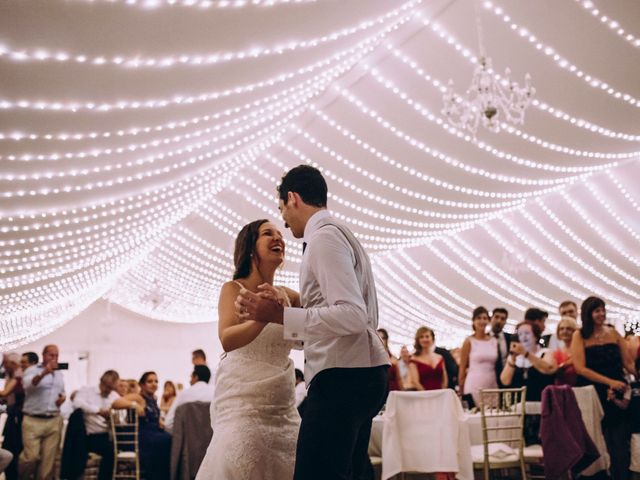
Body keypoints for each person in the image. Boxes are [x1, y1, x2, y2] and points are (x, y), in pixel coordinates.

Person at [236, 165, 389, 480]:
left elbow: (353, 315)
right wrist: (292, 308)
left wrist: (278, 316)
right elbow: (338, 316)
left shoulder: (323, 239)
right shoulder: (340, 234)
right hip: (360, 372)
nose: (283, 220)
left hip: (343, 376)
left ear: (292, 198)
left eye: (281, 209)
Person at [196, 219, 301, 480]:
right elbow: (227, 338)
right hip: (244, 401)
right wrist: (263, 316)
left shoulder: (290, 296)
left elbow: (309, 335)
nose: (278, 238)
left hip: (283, 407)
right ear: (251, 247)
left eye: (279, 234)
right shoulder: (233, 289)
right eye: (268, 234)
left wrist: (283, 313)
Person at [572, 296, 636, 480]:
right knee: (594, 439)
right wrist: (608, 382)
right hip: (592, 392)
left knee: (619, 440)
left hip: (617, 391)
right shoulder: (580, 335)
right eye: (596, 310)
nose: (601, 314)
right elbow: (580, 368)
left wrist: (636, 373)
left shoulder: (614, 334)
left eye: (602, 309)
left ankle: (620, 475)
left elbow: (628, 363)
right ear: (588, 313)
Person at [73, 370, 144, 480]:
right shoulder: (87, 390)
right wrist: (98, 411)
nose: (107, 390)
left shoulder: (112, 395)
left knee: (117, 449)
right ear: (101, 381)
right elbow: (77, 403)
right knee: (111, 452)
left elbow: (120, 406)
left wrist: (131, 406)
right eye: (106, 387)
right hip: (87, 436)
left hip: (106, 434)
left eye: (111, 388)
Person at [500, 321, 557, 445]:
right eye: (520, 334)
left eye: (527, 333)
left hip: (542, 409)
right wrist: (512, 359)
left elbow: (548, 369)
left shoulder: (546, 353)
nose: (523, 337)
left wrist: (527, 354)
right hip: (520, 412)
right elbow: (505, 381)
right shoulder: (515, 358)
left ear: (536, 336)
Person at [19, 344, 65, 480]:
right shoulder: (32, 370)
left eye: (56, 355)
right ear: (43, 355)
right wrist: (44, 372)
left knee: (47, 464)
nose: (54, 358)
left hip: (53, 419)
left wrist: (62, 398)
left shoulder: (59, 374)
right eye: (51, 355)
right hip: (33, 419)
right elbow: (28, 385)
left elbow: (62, 391)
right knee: (30, 457)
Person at [458, 307, 498, 407]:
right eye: (479, 318)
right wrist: (461, 390)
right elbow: (462, 368)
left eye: (485, 318)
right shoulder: (469, 341)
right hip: (474, 383)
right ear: (474, 321)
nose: (482, 321)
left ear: (488, 321)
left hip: (492, 383)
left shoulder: (494, 341)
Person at [138, 371, 171, 480]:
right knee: (167, 440)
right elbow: (116, 403)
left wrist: (160, 421)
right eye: (150, 381)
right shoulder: (138, 397)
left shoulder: (153, 400)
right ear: (142, 385)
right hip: (143, 435)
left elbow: (156, 418)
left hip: (154, 433)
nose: (154, 384)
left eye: (156, 381)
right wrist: (133, 404)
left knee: (173, 437)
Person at [164, 365, 215, 433]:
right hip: (214, 440)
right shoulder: (216, 393)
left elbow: (168, 424)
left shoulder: (184, 394)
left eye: (191, 377)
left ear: (196, 377)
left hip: (189, 441)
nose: (190, 380)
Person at [0, 352, 24, 480]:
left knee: (11, 449)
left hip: (17, 417)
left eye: (6, 363)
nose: (4, 366)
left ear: (13, 364)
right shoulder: (12, 377)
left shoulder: (18, 377)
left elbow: (4, 393)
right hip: (12, 415)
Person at [553, 316, 579, 386]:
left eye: (568, 329)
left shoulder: (580, 349)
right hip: (560, 390)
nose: (564, 331)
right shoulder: (557, 353)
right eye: (561, 329)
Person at [490, 307, 512, 386]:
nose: (499, 321)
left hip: (506, 380)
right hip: (489, 378)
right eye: (496, 317)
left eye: (502, 319)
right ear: (491, 318)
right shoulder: (483, 338)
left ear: (505, 322)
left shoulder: (510, 338)